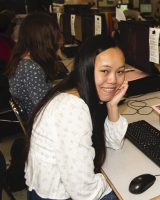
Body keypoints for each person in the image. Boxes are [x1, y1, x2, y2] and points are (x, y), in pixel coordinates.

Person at [25, 35, 128, 200]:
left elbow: (113, 143)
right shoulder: (71, 108)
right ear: (86, 68)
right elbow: (84, 193)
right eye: (105, 71)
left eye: (120, 71)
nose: (114, 80)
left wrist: (112, 105)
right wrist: (118, 181)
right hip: (57, 196)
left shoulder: (81, 91)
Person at [5, 12, 63, 119]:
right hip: (41, 123)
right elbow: (44, 107)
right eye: (56, 35)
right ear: (45, 39)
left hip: (38, 118)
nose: (59, 39)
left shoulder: (24, 59)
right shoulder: (31, 68)